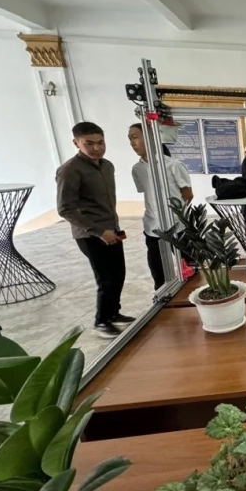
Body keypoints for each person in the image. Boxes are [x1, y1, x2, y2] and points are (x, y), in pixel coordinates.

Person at [56, 122, 134, 339]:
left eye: (100, 142)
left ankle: (114, 313)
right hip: (90, 234)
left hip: (112, 229)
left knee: (118, 274)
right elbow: (65, 208)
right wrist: (99, 231)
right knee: (106, 278)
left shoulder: (107, 166)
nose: (96, 148)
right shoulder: (70, 170)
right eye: (89, 144)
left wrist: (111, 229)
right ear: (76, 143)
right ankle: (101, 321)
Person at [129, 123, 193, 290]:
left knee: (190, 264)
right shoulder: (137, 169)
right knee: (157, 270)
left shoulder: (173, 165)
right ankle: (162, 294)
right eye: (130, 139)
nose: (132, 143)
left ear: (151, 138)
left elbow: (187, 195)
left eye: (135, 137)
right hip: (152, 226)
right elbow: (146, 193)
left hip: (176, 225)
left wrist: (177, 214)